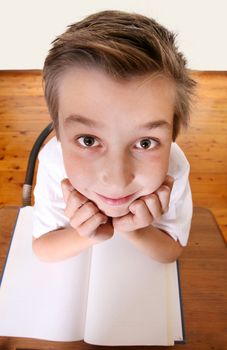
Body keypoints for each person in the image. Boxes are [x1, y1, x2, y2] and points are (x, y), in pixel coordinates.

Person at [32, 10, 196, 263]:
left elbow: (171, 251)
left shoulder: (175, 166)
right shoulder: (54, 161)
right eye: (88, 140)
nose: (117, 182)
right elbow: (43, 247)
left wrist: (135, 230)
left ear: (172, 133)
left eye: (145, 143)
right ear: (60, 134)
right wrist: (90, 235)